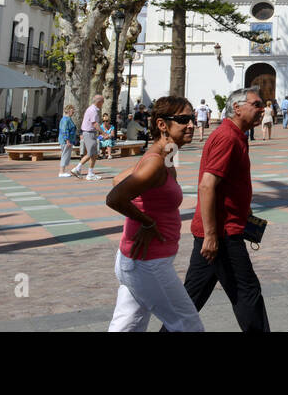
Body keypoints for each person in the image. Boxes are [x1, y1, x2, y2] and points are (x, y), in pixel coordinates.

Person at [106, 96, 204, 332]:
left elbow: (119, 179)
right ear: (162, 125)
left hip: (140, 261)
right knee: (188, 325)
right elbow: (115, 197)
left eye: (191, 118)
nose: (191, 124)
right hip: (147, 262)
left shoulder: (165, 156)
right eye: (182, 120)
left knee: (127, 325)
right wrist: (147, 223)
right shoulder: (156, 162)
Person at [177, 89, 271, 332]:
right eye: (256, 104)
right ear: (237, 108)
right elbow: (207, 185)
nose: (262, 108)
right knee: (247, 292)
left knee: (191, 299)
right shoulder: (228, 137)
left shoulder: (237, 135)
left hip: (219, 231)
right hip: (222, 234)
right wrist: (210, 236)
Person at [74, 94, 104, 181]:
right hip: (89, 133)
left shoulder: (92, 109)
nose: (103, 104)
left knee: (93, 154)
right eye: (102, 102)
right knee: (92, 153)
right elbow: (95, 124)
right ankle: (80, 169)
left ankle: (87, 172)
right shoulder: (93, 110)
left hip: (89, 133)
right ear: (99, 102)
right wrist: (103, 133)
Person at [58, 104, 80, 178]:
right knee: (65, 155)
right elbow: (64, 131)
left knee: (66, 155)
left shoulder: (68, 119)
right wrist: (67, 140)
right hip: (66, 141)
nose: (73, 112)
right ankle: (61, 172)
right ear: (69, 110)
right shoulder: (65, 119)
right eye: (73, 110)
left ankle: (63, 171)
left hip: (69, 140)